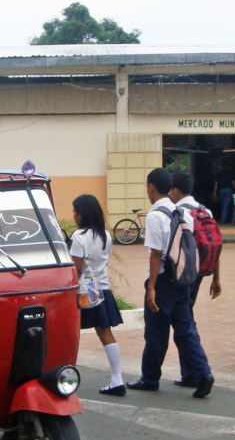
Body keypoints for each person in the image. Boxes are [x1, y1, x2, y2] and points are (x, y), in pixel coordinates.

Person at [127, 168, 215, 398]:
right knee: (186, 330)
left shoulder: (156, 216)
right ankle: (203, 373)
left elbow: (156, 254)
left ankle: (150, 378)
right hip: (183, 280)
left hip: (164, 280)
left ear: (151, 187)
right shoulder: (183, 213)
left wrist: (152, 288)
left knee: (156, 331)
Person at [69, 194, 126, 396]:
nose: (73, 215)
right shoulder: (106, 235)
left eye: (75, 211)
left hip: (83, 291)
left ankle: (63, 377)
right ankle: (117, 379)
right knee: (105, 332)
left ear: (82, 214)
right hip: (102, 288)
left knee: (69, 332)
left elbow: (76, 269)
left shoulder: (79, 237)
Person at [169, 170, 221, 388]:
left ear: (175, 190)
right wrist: (216, 278)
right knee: (185, 320)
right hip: (200, 273)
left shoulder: (179, 212)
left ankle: (200, 372)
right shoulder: (203, 210)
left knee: (184, 324)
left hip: (183, 275)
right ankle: (190, 374)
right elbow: (215, 246)